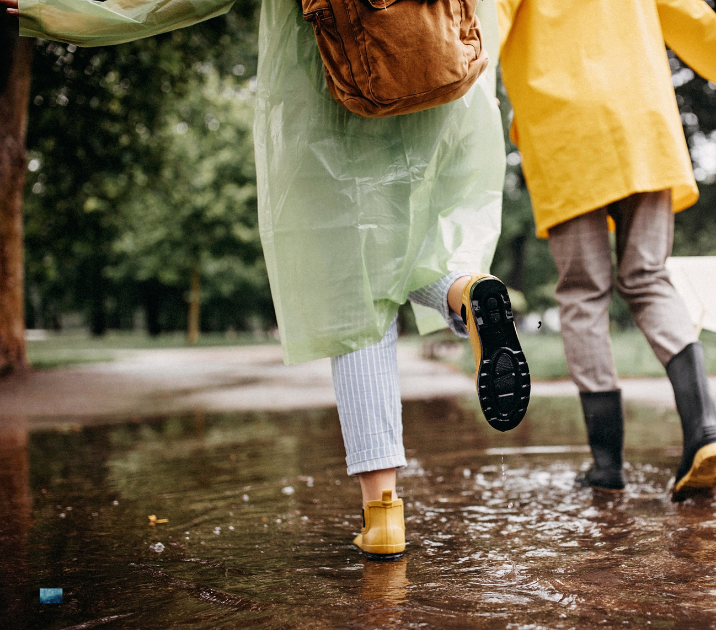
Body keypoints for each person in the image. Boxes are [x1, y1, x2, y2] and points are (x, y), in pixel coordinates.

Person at [8, 0, 529, 560]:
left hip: (337, 91)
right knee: (428, 242)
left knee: (354, 293)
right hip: (447, 74)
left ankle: (384, 518)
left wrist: (54, 10)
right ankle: (464, 293)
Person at [496, 0, 716, 500]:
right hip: (641, 125)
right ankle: (704, 430)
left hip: (562, 131)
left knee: (584, 293)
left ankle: (606, 464)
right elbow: (697, 25)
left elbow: (478, 30)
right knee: (648, 277)